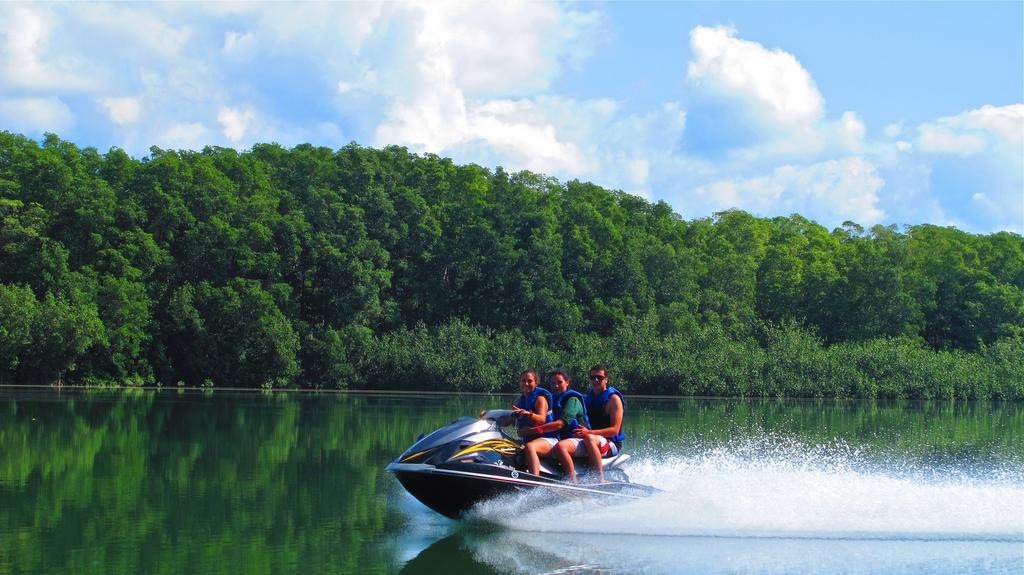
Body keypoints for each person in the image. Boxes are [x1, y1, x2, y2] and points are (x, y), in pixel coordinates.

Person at [520, 369, 590, 482]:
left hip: (579, 440)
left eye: (559, 382)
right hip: (562, 440)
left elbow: (559, 425)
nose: (556, 386)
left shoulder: (573, 400)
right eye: (553, 383)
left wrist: (533, 430)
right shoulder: (552, 398)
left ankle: (573, 482)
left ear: (567, 382)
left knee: (559, 447)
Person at [574, 364, 624, 482]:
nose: (596, 380)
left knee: (590, 438)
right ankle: (568, 477)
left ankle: (600, 479)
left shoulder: (613, 399)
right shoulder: (588, 397)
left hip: (611, 443)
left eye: (599, 377)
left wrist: (588, 432)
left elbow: (615, 430)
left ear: (606, 379)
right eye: (593, 377)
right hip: (590, 438)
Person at [510, 369, 553, 435]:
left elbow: (542, 420)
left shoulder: (540, 399)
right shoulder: (518, 400)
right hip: (529, 437)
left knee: (529, 446)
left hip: (546, 437)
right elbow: (509, 421)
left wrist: (527, 414)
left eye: (530, 381)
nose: (526, 384)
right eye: (523, 381)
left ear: (536, 383)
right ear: (520, 383)